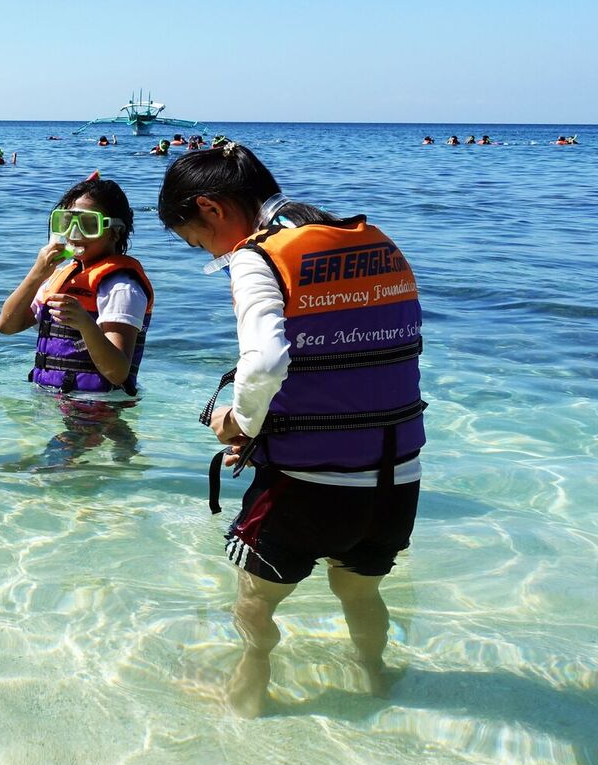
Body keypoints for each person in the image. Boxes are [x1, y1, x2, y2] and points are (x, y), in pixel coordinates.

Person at [156, 142, 425, 717]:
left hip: (309, 486)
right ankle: (377, 677)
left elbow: (268, 362)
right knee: (360, 590)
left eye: (198, 244)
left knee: (255, 605)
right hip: (395, 477)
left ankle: (249, 689)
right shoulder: (378, 245)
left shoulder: (260, 256)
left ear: (211, 208)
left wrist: (240, 423)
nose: (211, 255)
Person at [0, 171, 153, 396]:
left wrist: (85, 324)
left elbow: (118, 373)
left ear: (116, 231)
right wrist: (36, 274)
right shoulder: (58, 277)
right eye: (67, 222)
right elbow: (7, 326)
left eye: (89, 224)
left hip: (98, 411)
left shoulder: (121, 287)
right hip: (53, 403)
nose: (74, 233)